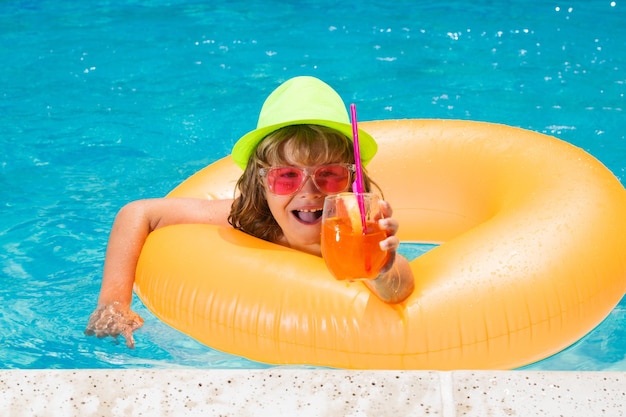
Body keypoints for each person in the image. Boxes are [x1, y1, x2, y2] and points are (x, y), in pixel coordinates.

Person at [85, 76, 415, 348]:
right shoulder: (252, 222)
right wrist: (113, 304)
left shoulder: (357, 239)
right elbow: (138, 213)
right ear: (261, 184)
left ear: (352, 183)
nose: (309, 190)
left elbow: (399, 288)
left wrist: (380, 266)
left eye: (329, 174)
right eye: (287, 176)